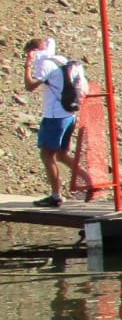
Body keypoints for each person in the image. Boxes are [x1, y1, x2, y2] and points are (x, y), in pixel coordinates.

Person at [23, 36, 77, 207]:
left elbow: (30, 86)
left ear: (33, 52)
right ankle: (91, 180)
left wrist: (27, 66)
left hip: (55, 116)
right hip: (69, 113)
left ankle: (56, 196)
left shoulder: (44, 64)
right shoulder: (61, 60)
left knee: (47, 154)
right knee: (61, 155)